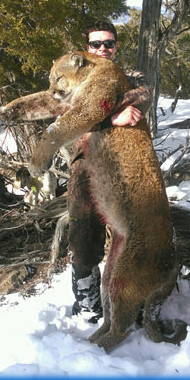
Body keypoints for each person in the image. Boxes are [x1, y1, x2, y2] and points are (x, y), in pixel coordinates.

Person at [68, 20, 152, 322]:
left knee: (132, 234)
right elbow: (71, 118)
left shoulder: (131, 76)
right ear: (86, 47)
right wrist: (111, 120)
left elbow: (141, 96)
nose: (103, 49)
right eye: (96, 44)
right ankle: (87, 298)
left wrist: (98, 113)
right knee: (82, 233)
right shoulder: (74, 81)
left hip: (127, 163)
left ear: (116, 46)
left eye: (109, 43)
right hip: (86, 163)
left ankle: (129, 298)